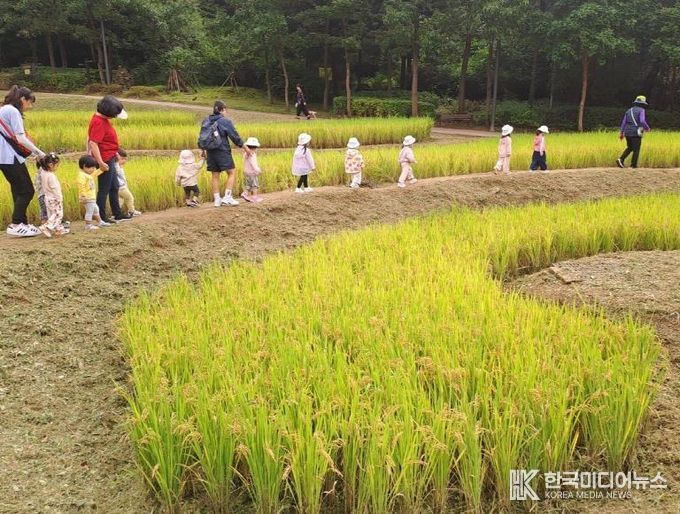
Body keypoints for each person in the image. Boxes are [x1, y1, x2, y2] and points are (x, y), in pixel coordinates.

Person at [0, 85, 45, 237]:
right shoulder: (13, 111)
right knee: (27, 190)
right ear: (22, 99)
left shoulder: (4, 109)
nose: (29, 106)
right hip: (9, 156)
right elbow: (21, 138)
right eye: (29, 102)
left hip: (5, 156)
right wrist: (39, 153)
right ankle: (16, 223)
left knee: (18, 189)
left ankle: (22, 224)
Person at [87, 95, 132, 223]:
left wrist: (115, 152)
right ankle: (100, 216)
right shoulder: (99, 122)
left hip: (110, 156)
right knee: (104, 189)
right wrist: (100, 162)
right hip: (105, 159)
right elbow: (93, 143)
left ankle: (117, 213)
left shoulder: (102, 119)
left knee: (114, 187)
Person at [201, 100, 251, 207]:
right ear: (222, 110)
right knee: (231, 172)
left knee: (215, 175)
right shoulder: (225, 121)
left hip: (210, 152)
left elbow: (203, 137)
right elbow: (235, 137)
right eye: (225, 110)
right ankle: (227, 197)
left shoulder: (206, 121)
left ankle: (217, 200)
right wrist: (245, 148)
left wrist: (203, 150)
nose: (226, 112)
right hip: (222, 150)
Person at [37, 152, 68, 237]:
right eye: (57, 165)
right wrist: (59, 198)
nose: (57, 167)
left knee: (51, 214)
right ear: (50, 165)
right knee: (58, 214)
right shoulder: (51, 176)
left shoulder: (43, 173)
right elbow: (55, 189)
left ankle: (58, 230)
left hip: (47, 198)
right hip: (54, 198)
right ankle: (46, 226)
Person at [617, 95, 651, 169]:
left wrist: (621, 133)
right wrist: (647, 128)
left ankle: (621, 159)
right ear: (643, 104)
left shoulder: (629, 110)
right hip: (637, 131)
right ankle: (633, 165)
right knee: (636, 149)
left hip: (627, 132)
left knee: (630, 147)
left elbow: (624, 123)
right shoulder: (642, 110)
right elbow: (642, 121)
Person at [77, 155, 110, 230]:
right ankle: (88, 225)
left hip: (91, 197)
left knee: (96, 210)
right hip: (87, 198)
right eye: (91, 167)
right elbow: (81, 186)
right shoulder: (81, 176)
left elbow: (94, 174)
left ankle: (100, 222)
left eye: (94, 167)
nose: (93, 169)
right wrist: (83, 195)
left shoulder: (87, 175)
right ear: (84, 166)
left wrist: (101, 170)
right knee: (90, 211)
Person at [116, 149, 141, 217]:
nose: (124, 161)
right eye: (122, 159)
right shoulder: (116, 166)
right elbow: (118, 171)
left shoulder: (119, 167)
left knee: (120, 200)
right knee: (130, 198)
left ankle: (116, 213)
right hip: (121, 187)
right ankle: (131, 211)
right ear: (117, 158)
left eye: (125, 159)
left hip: (120, 187)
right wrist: (117, 160)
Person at [241, 137, 264, 203]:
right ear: (255, 147)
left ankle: (245, 193)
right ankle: (254, 197)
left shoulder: (245, 154)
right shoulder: (252, 154)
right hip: (252, 173)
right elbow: (253, 164)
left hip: (246, 172)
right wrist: (258, 170)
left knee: (248, 185)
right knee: (255, 185)